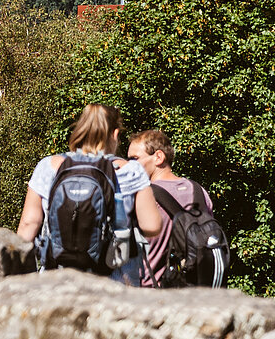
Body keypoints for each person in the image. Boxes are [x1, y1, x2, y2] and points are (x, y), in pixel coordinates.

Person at [15, 104, 160, 279]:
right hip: (115, 282)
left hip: (57, 279)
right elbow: (151, 226)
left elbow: (28, 225)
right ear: (114, 134)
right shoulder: (130, 171)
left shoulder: (48, 166)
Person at [129, 128, 229, 287]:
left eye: (135, 159)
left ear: (158, 157)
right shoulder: (199, 191)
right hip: (195, 293)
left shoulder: (143, 195)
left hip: (151, 293)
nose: (130, 165)